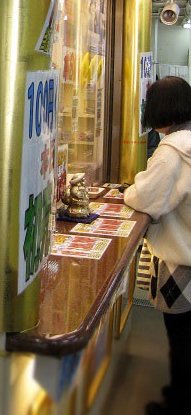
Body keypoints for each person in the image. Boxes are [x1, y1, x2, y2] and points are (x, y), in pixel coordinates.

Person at [124, 76, 191, 415]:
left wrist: (128, 190)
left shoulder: (172, 151)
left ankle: (178, 403)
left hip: (183, 263)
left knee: (181, 337)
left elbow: (147, 198)